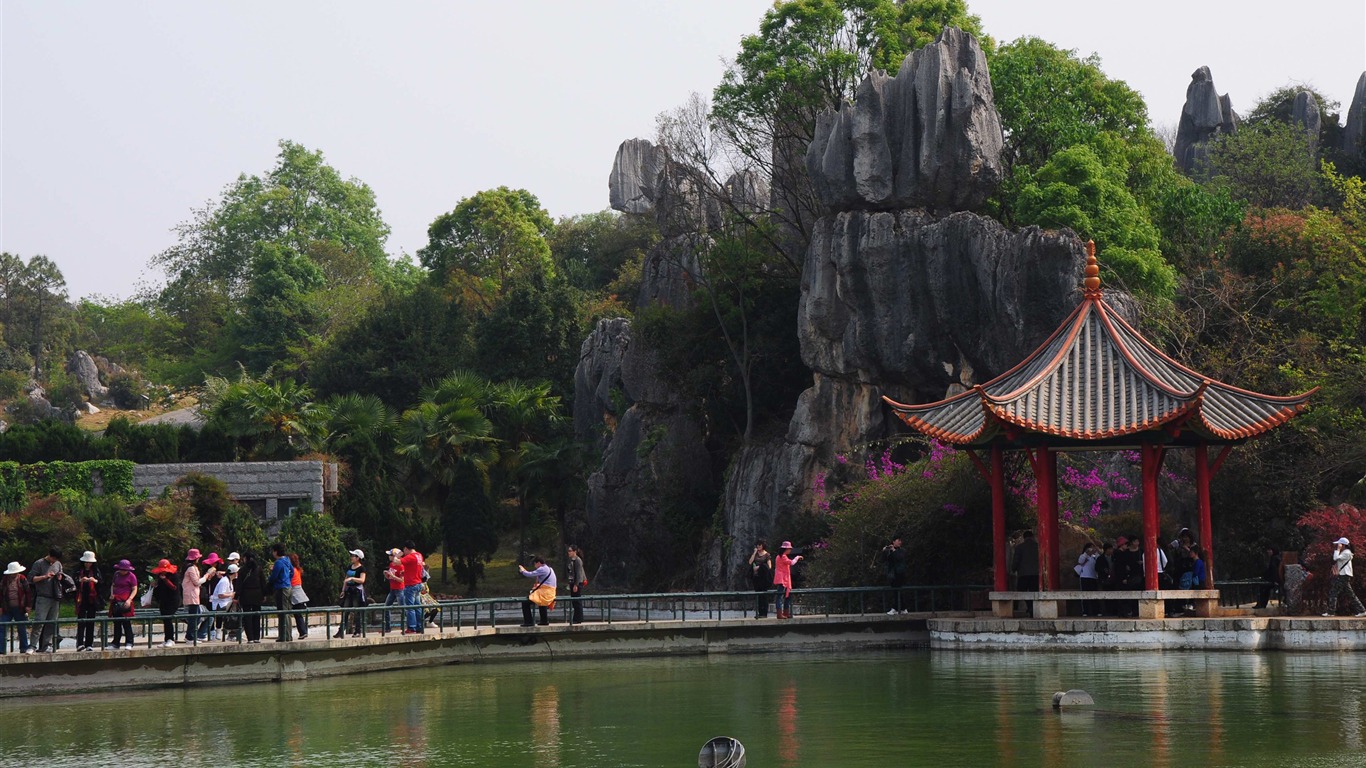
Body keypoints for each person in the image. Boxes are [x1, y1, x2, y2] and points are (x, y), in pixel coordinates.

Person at [28, 547, 65, 653]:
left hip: (55, 597)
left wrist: (59, 577)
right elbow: (31, 579)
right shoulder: (39, 563)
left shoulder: (58, 564)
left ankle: (46, 645)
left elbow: (61, 575)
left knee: (52, 623)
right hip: (43, 597)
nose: (54, 561)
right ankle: (33, 645)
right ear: (49, 555)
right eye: (53, 558)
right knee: (39, 622)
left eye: (56, 559)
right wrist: (45, 576)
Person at [1322, 537, 1366, 617]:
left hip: (1343, 575)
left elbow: (1335, 558)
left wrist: (1338, 549)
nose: (1337, 546)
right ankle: (1362, 610)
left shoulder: (1346, 552)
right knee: (1350, 594)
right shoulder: (1346, 552)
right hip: (1344, 575)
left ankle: (1331, 612)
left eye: (1339, 544)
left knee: (1333, 592)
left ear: (1343, 545)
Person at [181, 548, 213, 643]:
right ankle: (190, 637)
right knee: (193, 617)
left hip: (192, 594)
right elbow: (197, 582)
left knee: (194, 616)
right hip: (191, 595)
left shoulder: (189, 567)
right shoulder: (191, 568)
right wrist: (207, 575)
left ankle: (189, 636)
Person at [1, 561, 33, 654]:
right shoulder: (4, 580)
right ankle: (1, 649)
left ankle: (24, 647)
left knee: (21, 628)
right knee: (2, 626)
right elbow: (1, 594)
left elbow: (28, 593)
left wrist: (28, 605)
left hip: (20, 608)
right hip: (7, 608)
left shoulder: (22, 579)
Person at [74, 550, 102, 651]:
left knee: (91, 621)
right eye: (86, 562)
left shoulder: (96, 571)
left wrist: (95, 581)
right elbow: (73, 582)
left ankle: (89, 643)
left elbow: (101, 583)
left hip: (92, 599)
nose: (88, 564)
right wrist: (80, 581)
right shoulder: (78, 571)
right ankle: (80, 643)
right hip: (81, 599)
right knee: (81, 621)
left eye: (89, 562)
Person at [519, 556, 557, 627]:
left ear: (538, 563)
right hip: (550, 592)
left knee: (525, 603)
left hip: (546, 592)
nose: (535, 566)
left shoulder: (542, 569)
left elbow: (529, 574)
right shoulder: (550, 569)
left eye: (535, 564)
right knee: (541, 603)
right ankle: (544, 621)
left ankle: (528, 622)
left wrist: (523, 570)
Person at [336, 549, 366, 637]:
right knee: (345, 610)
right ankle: (341, 630)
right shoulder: (350, 567)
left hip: (356, 591)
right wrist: (343, 590)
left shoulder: (361, 568)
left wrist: (352, 579)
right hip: (349, 591)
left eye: (353, 556)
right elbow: (346, 579)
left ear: (358, 558)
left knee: (357, 611)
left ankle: (357, 631)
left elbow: (362, 580)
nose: (351, 557)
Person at [108, 559, 138, 650]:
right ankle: (116, 643)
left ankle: (129, 642)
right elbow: (113, 585)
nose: (123, 571)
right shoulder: (116, 574)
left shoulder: (131, 576)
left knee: (126, 623)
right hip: (116, 600)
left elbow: (134, 589)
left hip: (126, 600)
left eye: (125, 570)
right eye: (122, 569)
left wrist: (129, 600)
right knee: (117, 623)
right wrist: (112, 594)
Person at [150, 559, 180, 647]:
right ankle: (166, 639)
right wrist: (155, 586)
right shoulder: (159, 577)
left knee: (168, 619)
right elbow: (158, 591)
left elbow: (174, 588)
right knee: (165, 620)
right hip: (163, 601)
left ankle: (171, 639)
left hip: (172, 601)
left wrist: (166, 580)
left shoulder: (174, 576)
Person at [237, 552, 265, 643]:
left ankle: (250, 638)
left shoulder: (242, 570)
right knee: (257, 616)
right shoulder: (259, 569)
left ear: (245, 558)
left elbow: (239, 585)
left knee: (247, 617)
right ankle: (257, 637)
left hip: (246, 595)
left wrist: (237, 596)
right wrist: (264, 594)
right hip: (257, 594)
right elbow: (263, 583)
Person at [268, 544, 294, 641]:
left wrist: (271, 578)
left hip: (281, 588)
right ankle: (288, 635)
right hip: (288, 587)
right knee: (287, 612)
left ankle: (284, 636)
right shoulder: (287, 560)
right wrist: (288, 579)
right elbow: (292, 572)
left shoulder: (278, 562)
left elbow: (274, 576)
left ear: (276, 552)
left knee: (282, 613)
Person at [773, 541, 803, 619]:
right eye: (789, 549)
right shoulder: (783, 556)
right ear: (786, 549)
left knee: (787, 595)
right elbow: (792, 563)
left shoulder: (779, 556)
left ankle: (785, 612)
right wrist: (797, 557)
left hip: (784, 578)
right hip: (782, 578)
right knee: (780, 596)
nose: (790, 550)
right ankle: (780, 614)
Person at [400, 542, 424, 634]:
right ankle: (419, 626)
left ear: (406, 548)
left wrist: (398, 555)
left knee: (410, 607)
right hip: (418, 583)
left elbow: (396, 561)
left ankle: (411, 627)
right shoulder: (419, 555)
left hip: (411, 585)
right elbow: (413, 567)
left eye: (404, 550)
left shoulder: (410, 556)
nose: (404, 552)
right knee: (417, 606)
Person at [211, 564, 238, 642]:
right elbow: (220, 595)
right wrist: (232, 594)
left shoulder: (229, 581)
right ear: (234, 573)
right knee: (237, 613)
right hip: (220, 604)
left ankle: (232, 634)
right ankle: (232, 634)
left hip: (226, 603)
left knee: (238, 610)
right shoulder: (224, 581)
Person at [200, 552, 223, 640]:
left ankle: (218, 630)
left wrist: (219, 575)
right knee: (210, 613)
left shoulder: (220, 573)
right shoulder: (206, 572)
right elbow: (203, 583)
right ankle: (211, 630)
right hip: (209, 596)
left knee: (219, 613)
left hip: (219, 596)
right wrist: (209, 576)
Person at [882, 537, 908, 614]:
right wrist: (885, 551)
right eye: (898, 540)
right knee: (896, 591)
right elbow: (884, 560)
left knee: (898, 591)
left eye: (900, 540)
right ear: (893, 542)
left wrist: (894, 550)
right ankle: (902, 608)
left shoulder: (902, 551)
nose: (900, 542)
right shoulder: (889, 550)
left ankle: (896, 608)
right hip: (892, 574)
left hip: (900, 574)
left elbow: (899, 558)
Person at [382, 548, 405, 633]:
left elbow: (402, 580)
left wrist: (392, 576)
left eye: (390, 555)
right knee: (386, 607)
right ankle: (388, 628)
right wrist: (387, 575)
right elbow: (391, 577)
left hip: (400, 589)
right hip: (392, 589)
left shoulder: (401, 566)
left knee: (402, 609)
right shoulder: (391, 564)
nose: (389, 557)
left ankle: (405, 627)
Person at [748, 540, 774, 618]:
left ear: (763, 545)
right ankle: (759, 612)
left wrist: (759, 567)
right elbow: (750, 562)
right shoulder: (755, 554)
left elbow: (769, 566)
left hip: (764, 577)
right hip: (756, 577)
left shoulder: (767, 555)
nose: (758, 546)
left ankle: (764, 613)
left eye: (759, 545)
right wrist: (754, 553)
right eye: (757, 545)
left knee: (764, 595)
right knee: (758, 595)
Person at [289, 553, 311, 639]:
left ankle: (303, 632)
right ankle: (303, 631)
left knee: (297, 614)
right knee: (298, 614)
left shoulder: (292, 570)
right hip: (299, 592)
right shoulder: (298, 569)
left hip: (295, 593)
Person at [1076, 543, 1099, 617]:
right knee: (1085, 595)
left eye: (1093, 547)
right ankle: (1085, 611)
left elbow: (1099, 560)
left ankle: (1096, 611)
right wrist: (1086, 553)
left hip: (1093, 577)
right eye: (1090, 547)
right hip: (1084, 577)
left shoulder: (1094, 556)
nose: (1091, 549)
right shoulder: (1083, 555)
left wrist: (1096, 552)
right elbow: (1080, 561)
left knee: (1094, 595)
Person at [566, 544, 587, 625]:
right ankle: (576, 617)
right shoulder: (571, 560)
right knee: (574, 601)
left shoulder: (578, 560)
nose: (569, 552)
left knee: (577, 600)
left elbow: (578, 574)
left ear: (575, 551)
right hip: (572, 582)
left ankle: (579, 618)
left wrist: (576, 585)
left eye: (570, 551)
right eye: (568, 551)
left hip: (577, 583)